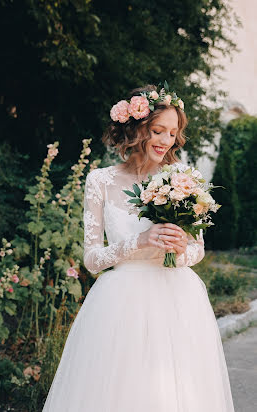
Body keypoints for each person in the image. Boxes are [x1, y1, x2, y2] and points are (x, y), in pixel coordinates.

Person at [42, 83, 235, 411]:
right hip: (120, 304)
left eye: (172, 133)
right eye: (158, 130)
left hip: (178, 300)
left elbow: (196, 251)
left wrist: (180, 247)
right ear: (135, 128)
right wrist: (138, 241)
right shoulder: (100, 181)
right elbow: (91, 258)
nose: (165, 140)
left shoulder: (183, 179)